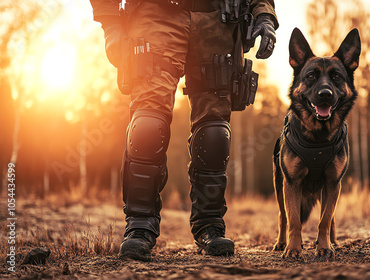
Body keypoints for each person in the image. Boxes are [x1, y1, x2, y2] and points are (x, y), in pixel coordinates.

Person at [89, 0, 278, 261]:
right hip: (155, 15)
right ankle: (140, 225)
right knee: (147, 126)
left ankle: (209, 224)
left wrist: (264, 13)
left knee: (214, 133)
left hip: (217, 17)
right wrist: (110, 21)